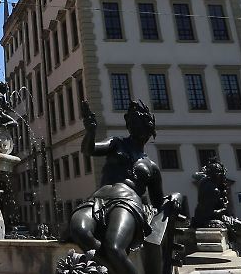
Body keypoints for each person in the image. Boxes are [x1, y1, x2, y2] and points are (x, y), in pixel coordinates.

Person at [67, 100, 185, 274]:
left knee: (114, 247)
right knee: (79, 230)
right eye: (132, 123)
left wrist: (176, 196)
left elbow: (158, 203)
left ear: (149, 129)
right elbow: (89, 150)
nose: (135, 127)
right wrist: (91, 131)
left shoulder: (151, 167)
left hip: (127, 203)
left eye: (140, 124)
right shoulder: (116, 143)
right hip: (97, 199)